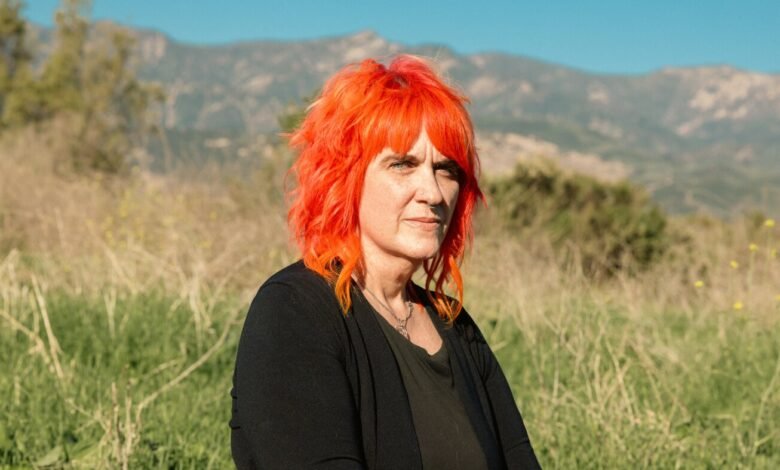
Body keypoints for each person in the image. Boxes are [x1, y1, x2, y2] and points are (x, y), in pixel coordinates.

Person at [230, 54, 540, 469]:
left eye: (446, 169)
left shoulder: (456, 326)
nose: (432, 192)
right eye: (403, 164)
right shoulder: (295, 311)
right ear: (346, 177)